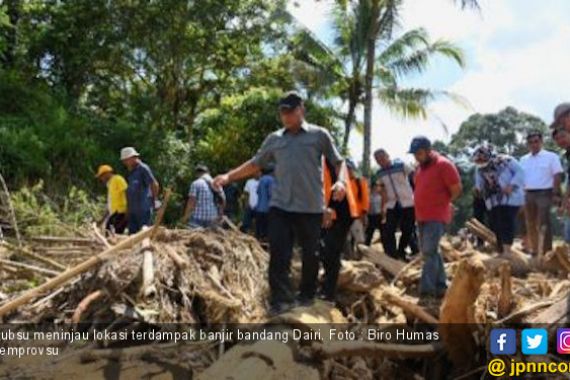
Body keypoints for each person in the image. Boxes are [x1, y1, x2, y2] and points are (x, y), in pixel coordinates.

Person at [212, 91, 346, 314]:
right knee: (279, 254)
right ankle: (280, 301)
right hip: (281, 206)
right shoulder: (274, 139)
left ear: (301, 110)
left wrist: (340, 182)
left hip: (310, 207)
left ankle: (307, 296)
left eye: (290, 111)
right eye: (282, 112)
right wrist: (228, 176)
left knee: (311, 255)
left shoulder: (319, 135)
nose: (286, 116)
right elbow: (256, 163)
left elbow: (338, 161)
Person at [410, 136, 462, 300]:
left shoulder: (444, 165)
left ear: (428, 150)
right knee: (432, 252)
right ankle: (441, 286)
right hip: (421, 216)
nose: (416, 157)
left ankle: (427, 290)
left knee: (428, 252)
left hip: (436, 215)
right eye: (414, 154)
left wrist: (443, 203)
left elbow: (456, 189)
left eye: (419, 153)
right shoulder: (420, 169)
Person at [320, 158, 363, 302]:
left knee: (332, 252)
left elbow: (352, 203)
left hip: (342, 219)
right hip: (326, 216)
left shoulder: (353, 182)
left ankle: (329, 292)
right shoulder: (323, 166)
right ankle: (327, 284)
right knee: (326, 252)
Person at [472, 145, 525, 255]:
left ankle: (507, 250)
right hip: (492, 200)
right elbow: (479, 183)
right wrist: (478, 189)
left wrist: (512, 185)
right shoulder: (479, 168)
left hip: (510, 198)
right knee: (494, 224)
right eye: (478, 160)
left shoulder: (506, 160)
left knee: (506, 221)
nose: (480, 162)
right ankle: (500, 249)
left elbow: (520, 172)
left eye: (482, 159)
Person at [519, 131, 563, 255]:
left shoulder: (551, 157)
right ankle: (534, 250)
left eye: (536, 141)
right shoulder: (523, 159)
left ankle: (546, 251)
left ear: (541, 142)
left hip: (545, 192)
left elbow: (557, 175)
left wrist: (555, 193)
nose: (534, 144)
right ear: (527, 144)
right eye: (531, 142)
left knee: (543, 221)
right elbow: (520, 178)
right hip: (528, 193)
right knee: (530, 222)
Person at [374, 149, 417, 260]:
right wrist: (383, 208)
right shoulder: (379, 173)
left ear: (388, 156)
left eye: (382, 158)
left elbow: (415, 176)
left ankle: (401, 251)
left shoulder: (401, 165)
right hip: (392, 204)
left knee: (408, 229)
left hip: (407, 202)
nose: (380, 161)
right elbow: (381, 189)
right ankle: (392, 256)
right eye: (377, 160)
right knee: (389, 230)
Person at [120, 147, 160, 234]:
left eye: (126, 160)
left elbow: (154, 184)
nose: (125, 163)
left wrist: (154, 200)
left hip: (143, 209)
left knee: (143, 234)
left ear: (132, 158)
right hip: (133, 210)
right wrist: (128, 209)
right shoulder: (131, 171)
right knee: (132, 236)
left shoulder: (143, 168)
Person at [95, 164, 128, 234]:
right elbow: (110, 204)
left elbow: (127, 194)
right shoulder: (110, 184)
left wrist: (128, 211)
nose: (101, 179)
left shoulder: (118, 179)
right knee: (109, 232)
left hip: (122, 212)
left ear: (107, 173)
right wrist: (102, 219)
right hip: (115, 213)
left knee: (114, 233)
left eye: (102, 176)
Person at [255, 165, 275, 240]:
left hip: (259, 209)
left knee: (259, 231)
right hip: (267, 210)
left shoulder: (261, 180)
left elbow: (257, 192)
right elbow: (271, 194)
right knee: (266, 232)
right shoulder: (271, 180)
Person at [365, 181, 385, 246]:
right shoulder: (369, 195)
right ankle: (366, 245)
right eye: (375, 186)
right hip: (371, 216)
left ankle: (386, 246)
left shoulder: (380, 195)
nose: (377, 187)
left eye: (377, 186)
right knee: (370, 232)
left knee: (383, 232)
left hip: (379, 215)